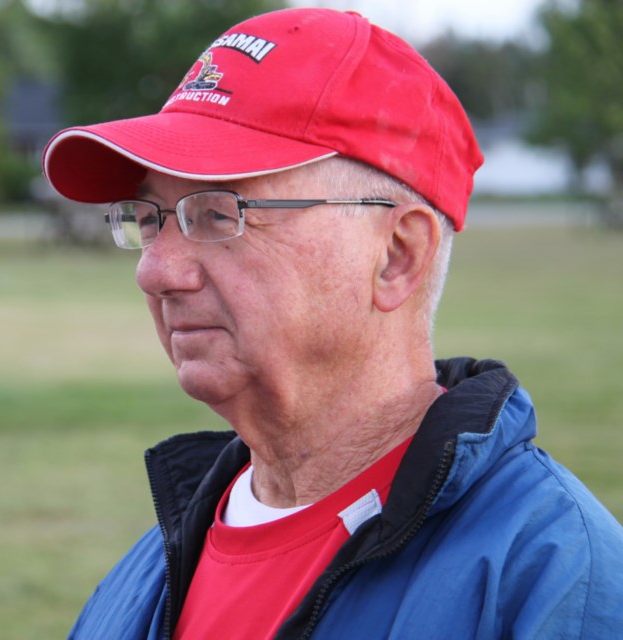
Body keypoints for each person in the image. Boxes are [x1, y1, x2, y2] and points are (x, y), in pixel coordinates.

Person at [41, 8, 623, 639]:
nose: (156, 271)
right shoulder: (146, 574)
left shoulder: (552, 580)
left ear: (398, 255)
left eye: (219, 213)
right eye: (151, 218)